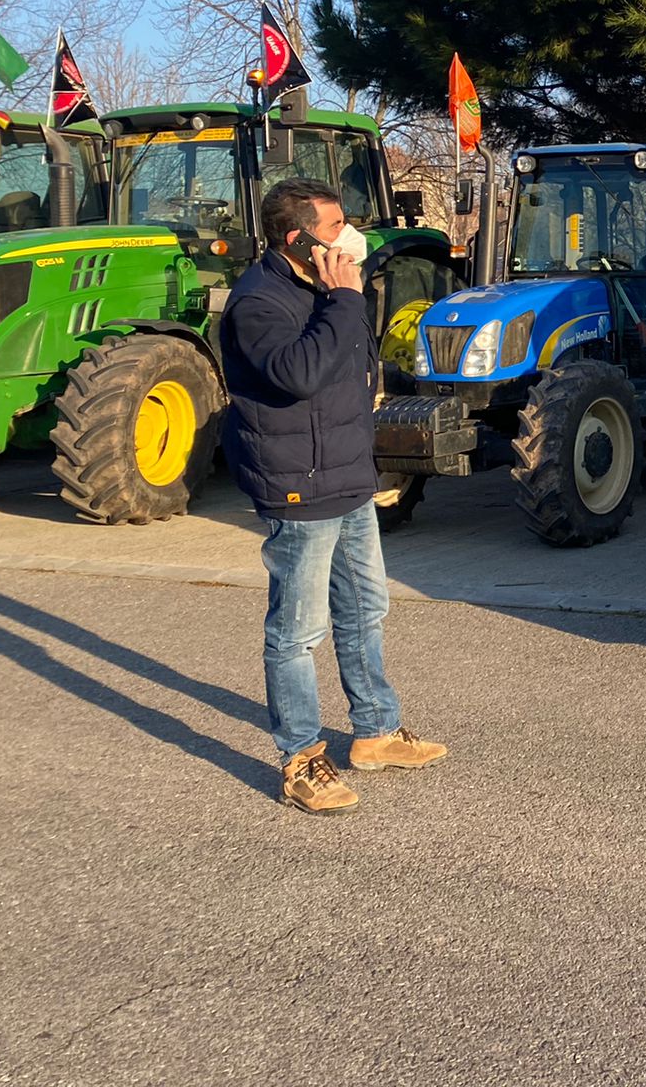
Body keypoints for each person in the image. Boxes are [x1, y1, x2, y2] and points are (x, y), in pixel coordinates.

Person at [221, 177, 447, 814]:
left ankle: (375, 732)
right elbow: (298, 374)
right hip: (298, 485)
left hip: (346, 476)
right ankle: (300, 758)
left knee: (366, 609)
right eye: (334, 226)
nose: (350, 236)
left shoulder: (320, 287)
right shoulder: (259, 301)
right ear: (297, 239)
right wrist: (344, 301)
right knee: (297, 631)